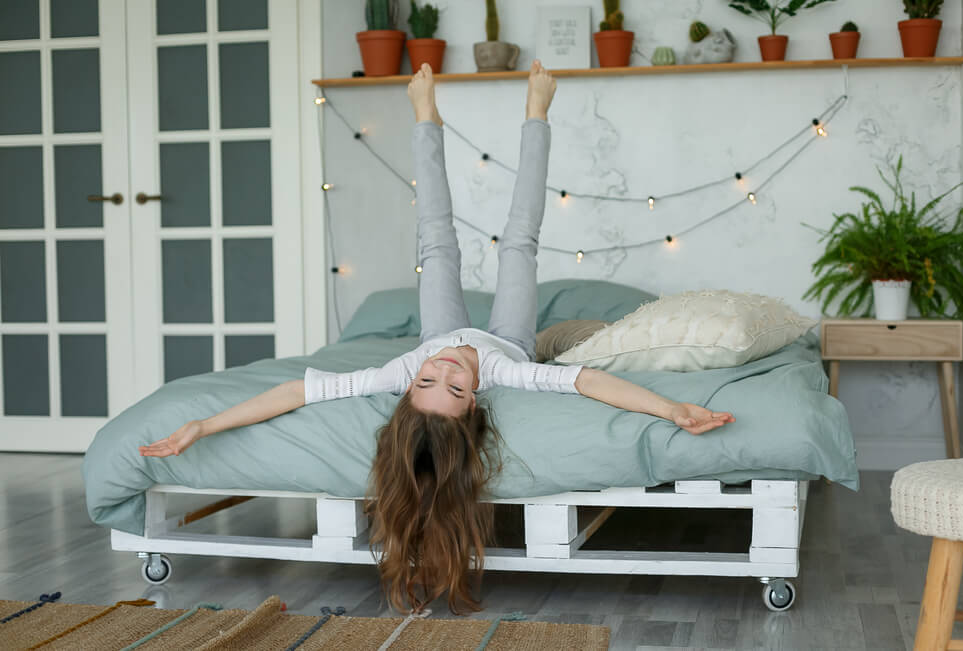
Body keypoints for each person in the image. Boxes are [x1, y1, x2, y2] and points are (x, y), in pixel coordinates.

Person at [139, 61, 735, 614]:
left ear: (408, 384)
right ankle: (538, 110)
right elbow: (592, 382)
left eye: (428, 378)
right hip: (506, 336)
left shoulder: (403, 370)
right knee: (520, 240)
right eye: (452, 385)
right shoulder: (503, 370)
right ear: (474, 400)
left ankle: (424, 111)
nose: (445, 367)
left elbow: (295, 393)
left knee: (435, 239)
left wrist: (204, 425)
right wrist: (670, 408)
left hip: (438, 320)